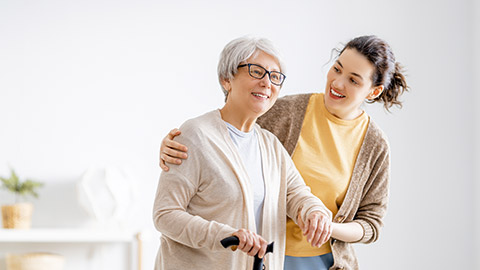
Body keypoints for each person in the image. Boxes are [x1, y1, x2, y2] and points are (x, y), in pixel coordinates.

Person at [159, 35, 409, 269]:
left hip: (298, 258)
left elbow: (299, 194)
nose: (338, 82)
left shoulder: (272, 145)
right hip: (253, 255)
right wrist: (177, 141)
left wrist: (320, 218)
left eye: (354, 80)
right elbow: (224, 129)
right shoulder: (283, 112)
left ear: (373, 91)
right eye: (337, 68)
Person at [153, 36, 333, 270]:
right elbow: (165, 214)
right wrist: (227, 236)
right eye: (256, 71)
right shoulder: (194, 135)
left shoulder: (271, 146)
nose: (267, 82)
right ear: (226, 79)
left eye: (275, 77)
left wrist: (314, 211)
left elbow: (297, 195)